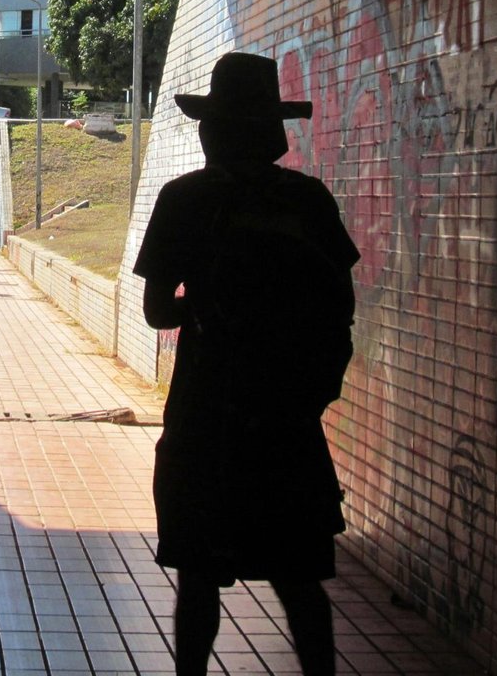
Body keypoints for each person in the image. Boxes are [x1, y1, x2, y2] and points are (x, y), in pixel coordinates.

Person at [133, 52, 358, 676]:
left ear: (213, 127)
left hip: (206, 417)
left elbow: (155, 311)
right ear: (272, 129)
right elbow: (340, 305)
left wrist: (203, 301)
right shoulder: (309, 200)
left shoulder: (183, 199)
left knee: (200, 581)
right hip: (287, 417)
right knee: (300, 582)